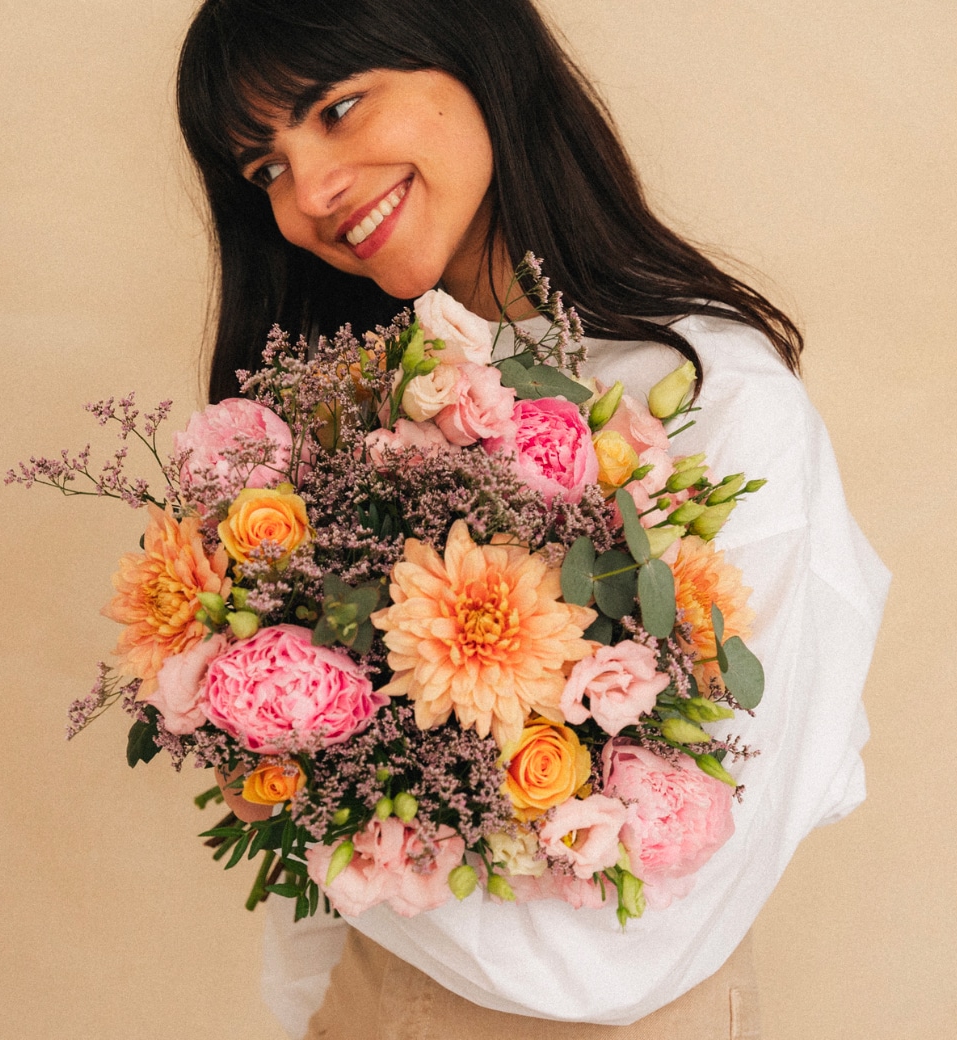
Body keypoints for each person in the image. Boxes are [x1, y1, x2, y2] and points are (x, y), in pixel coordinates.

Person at [172, 1, 889, 1037]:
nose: (309, 196)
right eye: (263, 170)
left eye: (334, 108)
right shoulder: (360, 403)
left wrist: (329, 828)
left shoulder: (712, 398)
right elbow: (324, 903)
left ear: (469, 48)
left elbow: (644, 941)